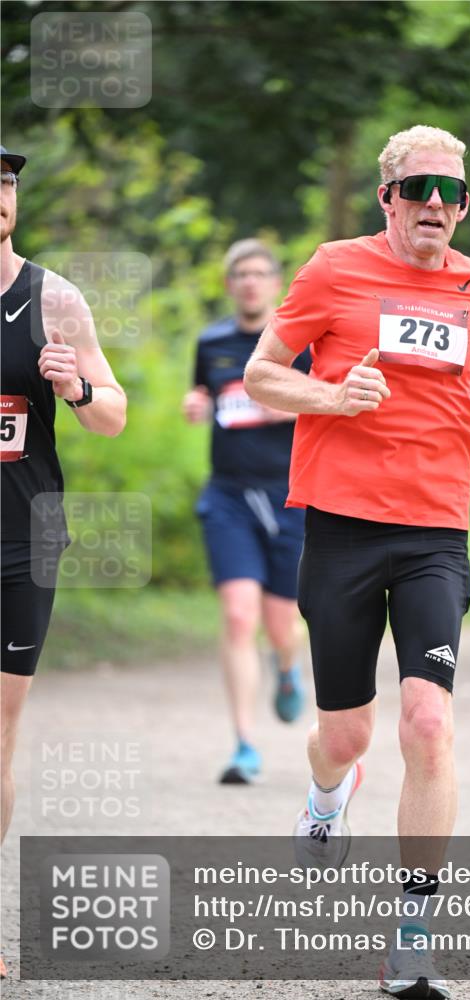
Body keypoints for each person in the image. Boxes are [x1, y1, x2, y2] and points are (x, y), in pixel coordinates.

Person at [244, 125, 470, 998]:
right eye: (418, 190)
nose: (435, 205)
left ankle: (411, 936)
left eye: (451, 192)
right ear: (387, 199)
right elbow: (260, 375)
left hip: (436, 531)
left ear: (464, 205)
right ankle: (328, 796)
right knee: (346, 735)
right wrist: (330, 394)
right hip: (340, 526)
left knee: (429, 726)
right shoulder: (333, 268)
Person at [0, 144, 127, 977]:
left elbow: (114, 413)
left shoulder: (55, 299)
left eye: (5, 185)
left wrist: (78, 390)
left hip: (23, 541)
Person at [182, 239, 310, 785]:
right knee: (239, 616)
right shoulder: (211, 342)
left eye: (261, 274)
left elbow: (324, 402)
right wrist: (199, 404)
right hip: (229, 495)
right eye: (241, 274)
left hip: (288, 498)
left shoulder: (298, 342)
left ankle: (286, 666)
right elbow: (205, 393)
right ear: (230, 283)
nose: (251, 282)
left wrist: (281, 407)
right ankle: (244, 746)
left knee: (283, 626)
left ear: (275, 282)